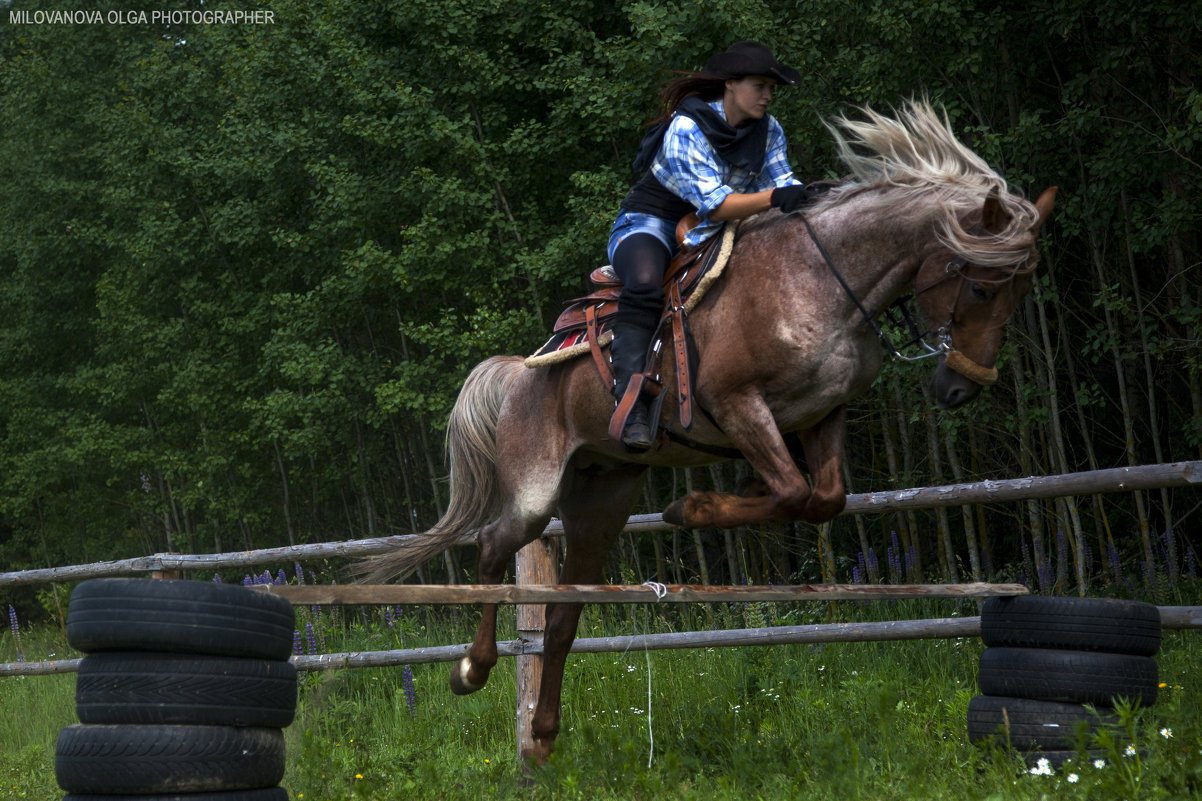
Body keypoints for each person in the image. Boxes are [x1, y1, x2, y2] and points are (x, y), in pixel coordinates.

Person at [607, 41, 816, 451]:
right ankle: (629, 400)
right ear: (730, 85)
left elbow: (783, 181)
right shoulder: (687, 127)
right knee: (647, 282)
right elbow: (717, 204)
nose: (768, 95)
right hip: (651, 222)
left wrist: (811, 196)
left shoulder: (769, 130)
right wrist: (776, 199)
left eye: (772, 88)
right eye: (759, 85)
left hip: (717, 226)